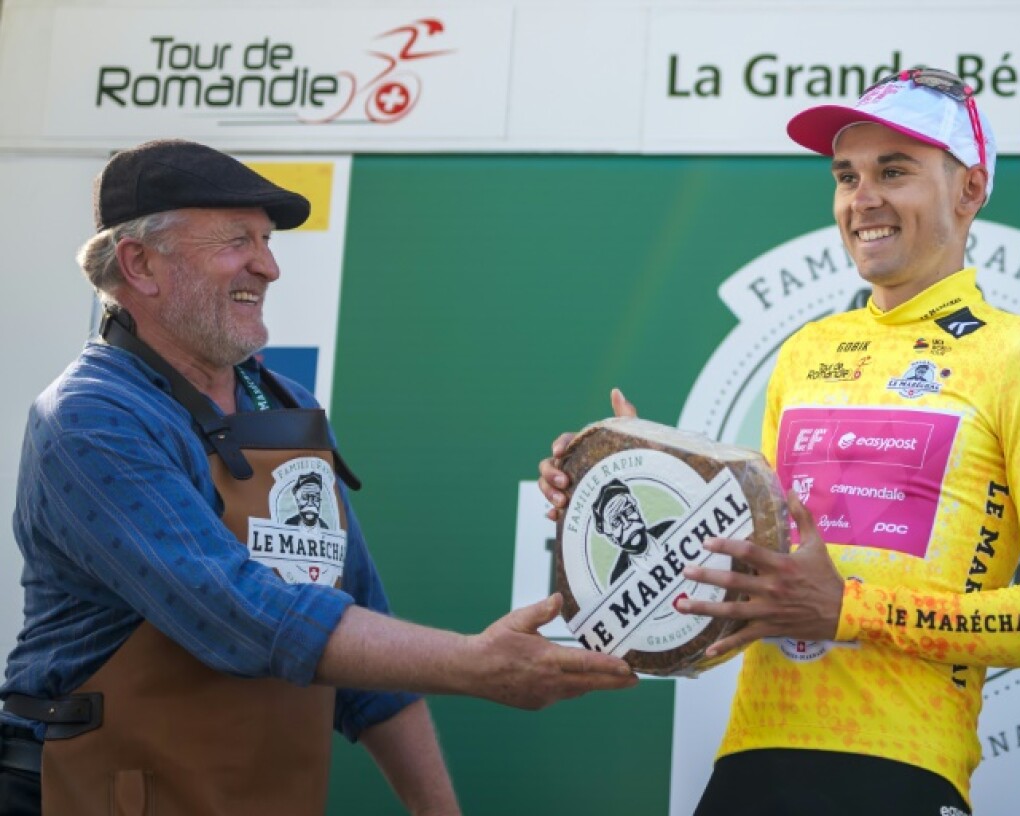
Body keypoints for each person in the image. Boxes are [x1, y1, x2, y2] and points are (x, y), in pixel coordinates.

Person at [0, 139, 636, 816]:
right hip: (89, 791)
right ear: (139, 263)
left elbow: (363, 638)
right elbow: (242, 615)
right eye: (237, 241)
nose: (268, 266)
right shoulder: (92, 417)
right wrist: (474, 665)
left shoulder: (290, 410)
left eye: (268, 241)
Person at [539, 69, 1020, 814]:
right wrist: (631, 483)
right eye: (846, 176)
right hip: (750, 761)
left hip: (904, 767)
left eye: (894, 171)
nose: (861, 199)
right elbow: (764, 588)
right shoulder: (806, 352)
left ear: (970, 190)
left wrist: (850, 611)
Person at [592, 479, 676, 583]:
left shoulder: (673, 528)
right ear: (612, 538)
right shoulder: (618, 580)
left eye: (628, 511)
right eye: (616, 523)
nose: (627, 524)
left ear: (637, 510)